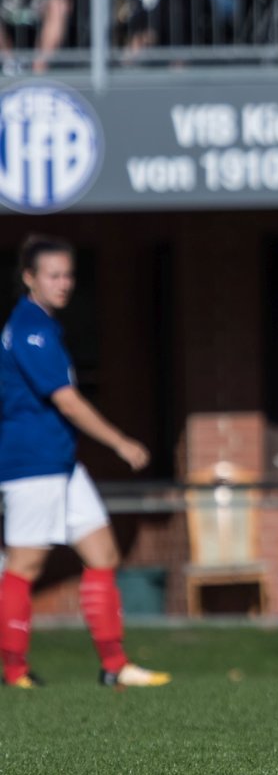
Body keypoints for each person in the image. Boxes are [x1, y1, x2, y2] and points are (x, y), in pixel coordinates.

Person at [0, 235, 171, 690]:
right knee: (25, 566)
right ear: (29, 278)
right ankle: (14, 670)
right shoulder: (31, 329)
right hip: (31, 464)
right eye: (53, 275)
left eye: (69, 274)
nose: (64, 283)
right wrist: (120, 442)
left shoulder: (46, 326)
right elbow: (69, 403)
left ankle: (114, 666)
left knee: (103, 553)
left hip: (62, 463)